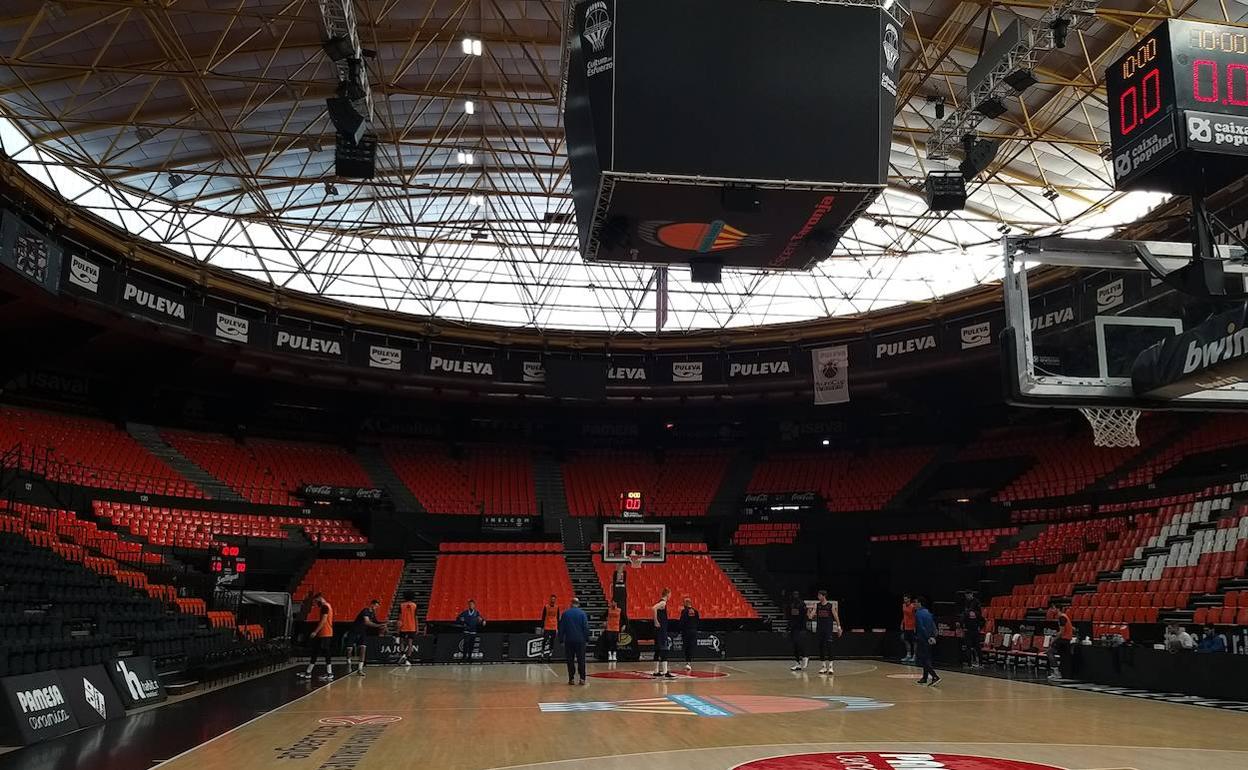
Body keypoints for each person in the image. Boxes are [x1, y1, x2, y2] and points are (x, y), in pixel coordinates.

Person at [297, 593, 335, 681]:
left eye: (316, 601)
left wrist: (315, 631)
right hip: (324, 633)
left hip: (325, 633)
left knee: (326, 653)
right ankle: (308, 672)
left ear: (319, 599)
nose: (315, 604)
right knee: (315, 652)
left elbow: (323, 621)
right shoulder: (328, 605)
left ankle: (329, 673)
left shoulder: (325, 607)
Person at [344, 599, 386, 676]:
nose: (376, 608)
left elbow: (376, 622)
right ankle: (348, 661)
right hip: (354, 631)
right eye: (376, 606)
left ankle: (360, 669)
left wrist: (384, 623)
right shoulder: (365, 610)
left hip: (362, 632)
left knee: (363, 648)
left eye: (377, 607)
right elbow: (367, 622)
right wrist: (379, 626)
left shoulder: (373, 613)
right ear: (372, 604)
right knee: (349, 649)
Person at [558, 597, 591, 685]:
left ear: (571, 604)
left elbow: (562, 628)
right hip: (580, 640)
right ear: (578, 604)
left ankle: (571, 679)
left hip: (569, 640)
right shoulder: (582, 614)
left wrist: (561, 640)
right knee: (581, 660)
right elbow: (586, 627)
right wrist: (587, 638)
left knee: (570, 660)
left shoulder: (565, 614)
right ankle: (582, 679)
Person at [813, 589, 842, 675]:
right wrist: (810, 613)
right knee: (821, 647)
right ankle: (823, 666)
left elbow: (836, 616)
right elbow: (811, 616)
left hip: (828, 630)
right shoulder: (817, 605)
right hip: (820, 630)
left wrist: (839, 627)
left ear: (823, 596)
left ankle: (831, 666)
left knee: (829, 647)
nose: (818, 597)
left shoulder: (830, 606)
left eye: (819, 595)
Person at [914, 596, 940, 686]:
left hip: (923, 638)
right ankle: (924, 677)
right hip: (929, 638)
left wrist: (928, 637)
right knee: (927, 657)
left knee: (922, 658)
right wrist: (933, 636)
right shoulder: (928, 613)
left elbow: (921, 627)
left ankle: (935, 676)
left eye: (915, 603)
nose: (914, 605)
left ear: (920, 603)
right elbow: (933, 626)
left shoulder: (918, 613)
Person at [652, 588, 675, 678]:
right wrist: (656, 621)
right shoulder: (663, 603)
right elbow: (653, 608)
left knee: (657, 650)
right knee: (664, 649)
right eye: (670, 594)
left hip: (658, 630)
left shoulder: (662, 603)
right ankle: (665, 672)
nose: (670, 596)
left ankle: (656, 671)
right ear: (667, 594)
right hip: (661, 630)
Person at [1047, 601, 1074, 679]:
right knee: (1063, 657)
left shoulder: (1062, 617)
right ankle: (1060, 672)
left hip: (1064, 640)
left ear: (1058, 609)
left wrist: (1053, 639)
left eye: (1053, 608)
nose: (1051, 610)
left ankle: (1056, 672)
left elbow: (1061, 632)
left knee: (1049, 652)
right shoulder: (1064, 616)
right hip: (1066, 639)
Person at [786, 590, 811, 671]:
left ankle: (805, 656)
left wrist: (803, 626)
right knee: (794, 646)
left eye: (796, 594)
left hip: (800, 628)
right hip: (793, 628)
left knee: (799, 643)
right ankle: (798, 663)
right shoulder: (791, 604)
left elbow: (804, 616)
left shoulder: (802, 604)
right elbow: (790, 617)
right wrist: (788, 627)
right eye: (794, 594)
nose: (795, 596)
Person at [457, 599, 486, 663]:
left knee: (471, 645)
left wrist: (483, 621)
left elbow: (481, 619)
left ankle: (469, 657)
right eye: (470, 604)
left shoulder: (476, 613)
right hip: (466, 631)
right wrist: (461, 621)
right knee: (466, 644)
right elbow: (458, 618)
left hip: (473, 631)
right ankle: (464, 657)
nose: (471, 606)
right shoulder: (465, 612)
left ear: (474, 605)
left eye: (472, 604)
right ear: (468, 605)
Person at [961, 592, 983, 669]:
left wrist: (979, 626)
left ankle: (980, 663)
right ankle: (969, 664)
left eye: (968, 595)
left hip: (975, 630)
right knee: (968, 647)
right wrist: (963, 626)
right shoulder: (965, 604)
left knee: (977, 647)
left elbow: (981, 618)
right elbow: (963, 618)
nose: (967, 596)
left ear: (971, 594)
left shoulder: (976, 603)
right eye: (966, 596)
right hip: (968, 630)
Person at [679, 596, 701, 671]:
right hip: (693, 631)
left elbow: (682, 622)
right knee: (691, 647)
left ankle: (687, 663)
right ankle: (689, 662)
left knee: (686, 647)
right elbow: (698, 621)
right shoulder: (696, 611)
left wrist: (680, 630)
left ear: (685, 603)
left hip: (686, 632)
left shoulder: (684, 611)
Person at [398, 592, 420, 666]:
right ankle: (408, 660)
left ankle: (403, 654)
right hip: (412, 627)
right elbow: (416, 617)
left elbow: (399, 617)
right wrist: (417, 627)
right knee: (410, 643)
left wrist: (398, 627)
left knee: (402, 642)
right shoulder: (414, 605)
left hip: (403, 626)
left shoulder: (401, 605)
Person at [539, 594, 561, 661]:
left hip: (553, 626)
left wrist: (557, 628)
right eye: (552, 599)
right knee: (545, 640)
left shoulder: (557, 607)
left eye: (554, 599)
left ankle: (550, 655)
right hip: (547, 626)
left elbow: (557, 618)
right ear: (550, 599)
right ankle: (542, 655)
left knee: (552, 641)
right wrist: (542, 627)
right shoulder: (546, 607)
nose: (553, 600)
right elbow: (543, 617)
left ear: (555, 600)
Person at [900, 593, 917, 663]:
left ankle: (915, 656)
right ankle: (908, 655)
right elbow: (904, 615)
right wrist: (902, 623)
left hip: (912, 627)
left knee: (914, 642)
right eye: (904, 599)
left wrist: (915, 626)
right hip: (906, 627)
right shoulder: (903, 605)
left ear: (909, 599)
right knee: (906, 640)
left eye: (906, 599)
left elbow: (916, 616)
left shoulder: (913, 606)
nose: (905, 600)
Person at [611, 562, 629, 628]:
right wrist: (621, 564)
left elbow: (621, 574)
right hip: (618, 597)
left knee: (623, 612)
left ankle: (625, 625)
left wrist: (622, 565)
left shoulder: (623, 577)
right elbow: (617, 574)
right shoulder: (615, 578)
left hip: (621, 597)